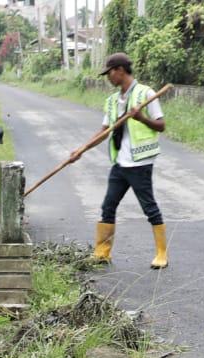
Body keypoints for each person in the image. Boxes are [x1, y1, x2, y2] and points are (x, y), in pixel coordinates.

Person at [68, 53, 168, 269]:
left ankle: (162, 254)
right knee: (108, 206)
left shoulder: (146, 93)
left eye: (109, 73)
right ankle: (102, 253)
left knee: (149, 207)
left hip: (140, 163)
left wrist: (141, 118)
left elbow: (161, 126)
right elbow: (104, 132)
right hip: (120, 163)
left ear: (120, 71)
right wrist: (82, 149)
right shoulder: (113, 101)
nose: (108, 78)